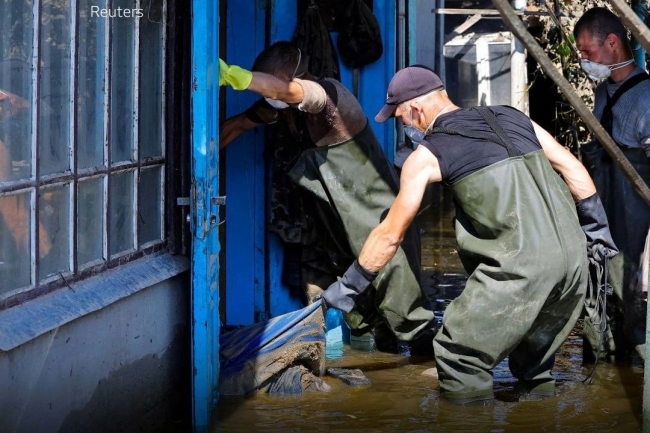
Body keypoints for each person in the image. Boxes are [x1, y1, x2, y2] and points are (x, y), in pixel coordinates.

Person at [321, 64, 617, 404]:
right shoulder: (514, 117)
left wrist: (348, 286)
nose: (403, 126)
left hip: (521, 268)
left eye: (400, 117)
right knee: (534, 369)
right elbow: (572, 168)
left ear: (416, 109)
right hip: (575, 263)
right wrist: (597, 232)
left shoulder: (429, 154)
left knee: (458, 357)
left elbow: (390, 234)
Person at [219, 42, 436, 351]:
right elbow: (236, 126)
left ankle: (432, 382)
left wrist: (236, 77)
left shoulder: (328, 96)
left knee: (406, 309)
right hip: (338, 227)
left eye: (272, 87)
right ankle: (377, 381)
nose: (269, 96)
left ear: (294, 77)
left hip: (379, 219)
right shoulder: (279, 109)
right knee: (364, 321)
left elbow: (289, 92)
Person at [574, 7, 650, 362]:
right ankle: (598, 353)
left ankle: (633, 360)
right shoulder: (604, 92)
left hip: (634, 216)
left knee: (629, 282)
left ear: (613, 42)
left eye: (588, 53)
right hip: (603, 209)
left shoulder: (647, 97)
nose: (585, 61)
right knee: (596, 275)